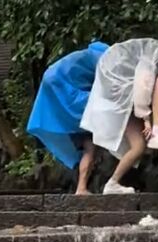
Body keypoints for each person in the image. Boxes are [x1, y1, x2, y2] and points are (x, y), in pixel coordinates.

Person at [81, 36, 158, 194]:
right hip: (119, 94)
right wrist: (146, 120)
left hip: (116, 95)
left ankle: (112, 183)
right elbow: (143, 84)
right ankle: (157, 131)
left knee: (138, 146)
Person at [27, 41, 109, 195]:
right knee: (90, 148)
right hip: (76, 109)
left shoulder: (81, 58)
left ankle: (81, 187)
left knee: (88, 150)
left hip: (68, 113)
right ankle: (81, 188)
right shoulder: (101, 58)